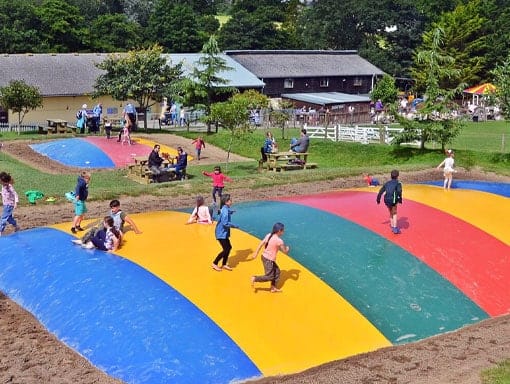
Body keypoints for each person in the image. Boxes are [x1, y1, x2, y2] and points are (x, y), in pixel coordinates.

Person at [73, 199, 142, 245]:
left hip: (115, 230)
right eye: (111, 208)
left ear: (118, 207)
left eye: (114, 208)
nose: (112, 209)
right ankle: (83, 240)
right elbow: (107, 220)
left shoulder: (121, 214)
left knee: (100, 230)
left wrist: (137, 231)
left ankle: (93, 242)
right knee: (94, 229)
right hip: (109, 227)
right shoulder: (111, 212)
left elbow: (131, 222)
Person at [250, 222, 289, 293]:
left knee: (277, 272)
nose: (284, 232)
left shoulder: (269, 235)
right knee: (269, 276)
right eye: (283, 230)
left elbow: (261, 243)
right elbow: (285, 252)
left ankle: (273, 288)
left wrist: (256, 252)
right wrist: (287, 249)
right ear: (279, 231)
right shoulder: (279, 241)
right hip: (268, 260)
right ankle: (255, 278)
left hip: (265, 257)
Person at [211, 194, 238, 271]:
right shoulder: (225, 210)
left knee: (229, 247)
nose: (231, 202)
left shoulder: (225, 208)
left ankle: (224, 264)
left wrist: (231, 211)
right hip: (221, 233)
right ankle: (214, 263)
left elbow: (224, 211)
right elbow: (225, 223)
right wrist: (234, 226)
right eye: (230, 200)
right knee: (226, 249)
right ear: (226, 202)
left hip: (223, 233)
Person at [376, 169, 403, 234]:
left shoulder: (387, 183)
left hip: (386, 200)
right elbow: (399, 191)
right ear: (397, 176)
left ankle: (392, 226)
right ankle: (395, 228)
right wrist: (400, 199)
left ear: (391, 176)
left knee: (391, 213)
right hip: (393, 200)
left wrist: (378, 200)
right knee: (395, 213)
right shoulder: (398, 183)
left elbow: (380, 191)